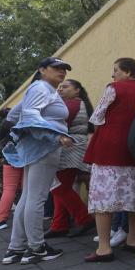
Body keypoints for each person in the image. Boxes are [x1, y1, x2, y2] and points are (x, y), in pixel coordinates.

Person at [1, 57, 74, 265]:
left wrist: (18, 139)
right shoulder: (42, 88)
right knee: (37, 198)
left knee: (28, 198)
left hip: (36, 148)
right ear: (42, 70)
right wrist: (55, 136)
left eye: (64, 69)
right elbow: (30, 116)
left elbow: (14, 115)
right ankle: (36, 248)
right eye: (56, 68)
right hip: (45, 148)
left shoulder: (40, 89)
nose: (62, 72)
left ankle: (16, 248)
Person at [83, 57, 135, 262]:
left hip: (109, 148)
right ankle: (133, 239)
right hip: (133, 149)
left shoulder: (114, 88)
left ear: (128, 72)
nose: (114, 75)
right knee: (134, 195)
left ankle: (104, 248)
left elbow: (97, 116)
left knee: (103, 198)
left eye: (116, 70)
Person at [45, 79, 95, 238]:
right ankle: (59, 225)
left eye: (65, 87)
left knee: (58, 187)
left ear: (77, 90)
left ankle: (84, 219)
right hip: (74, 148)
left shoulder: (71, 103)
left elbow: (56, 124)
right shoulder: (77, 103)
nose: (60, 89)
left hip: (69, 148)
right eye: (59, 87)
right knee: (62, 186)